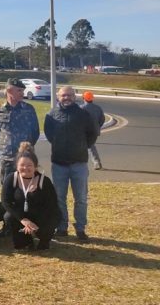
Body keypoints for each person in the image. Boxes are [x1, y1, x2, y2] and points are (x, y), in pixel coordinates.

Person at [44, 85, 98, 241]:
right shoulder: (51, 115)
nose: (66, 98)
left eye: (69, 95)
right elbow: (49, 135)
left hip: (79, 164)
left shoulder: (83, 114)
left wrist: (82, 146)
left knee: (80, 198)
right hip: (59, 164)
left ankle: (80, 228)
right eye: (63, 95)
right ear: (58, 97)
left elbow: (92, 134)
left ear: (75, 96)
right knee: (59, 198)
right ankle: (62, 227)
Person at [1, 142, 60, 250]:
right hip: (22, 216)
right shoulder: (11, 178)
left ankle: (44, 239)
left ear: (35, 166)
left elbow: (52, 205)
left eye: (29, 165)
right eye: (22, 165)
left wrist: (37, 226)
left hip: (41, 215)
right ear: (17, 166)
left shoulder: (44, 181)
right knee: (8, 217)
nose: (25, 168)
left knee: (52, 219)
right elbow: (6, 201)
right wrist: (24, 220)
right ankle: (25, 241)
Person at [0, 79, 40, 184]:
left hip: (26, 156)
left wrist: (27, 147)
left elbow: (35, 131)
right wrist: (3, 144)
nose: (22, 93)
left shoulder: (29, 109)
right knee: (7, 186)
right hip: (7, 157)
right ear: (9, 91)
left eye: (22, 91)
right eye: (19, 91)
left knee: (27, 186)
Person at [82, 91, 105, 170]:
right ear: (92, 99)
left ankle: (79, 164)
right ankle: (97, 162)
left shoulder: (81, 108)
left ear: (83, 98)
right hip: (94, 131)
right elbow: (102, 120)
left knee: (79, 147)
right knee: (91, 146)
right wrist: (97, 127)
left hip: (83, 131)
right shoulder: (98, 108)